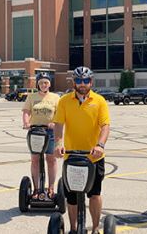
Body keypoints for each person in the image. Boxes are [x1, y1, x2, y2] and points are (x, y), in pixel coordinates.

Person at [54, 66, 110, 234]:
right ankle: (73, 229)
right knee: (71, 197)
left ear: (91, 82)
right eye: (79, 80)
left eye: (86, 80)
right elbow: (58, 125)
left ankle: (94, 228)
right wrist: (58, 143)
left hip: (94, 157)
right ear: (74, 82)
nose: (82, 84)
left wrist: (100, 145)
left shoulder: (99, 101)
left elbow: (105, 126)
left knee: (94, 194)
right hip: (71, 156)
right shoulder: (64, 100)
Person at [22, 72, 60, 199]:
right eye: (41, 83)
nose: (44, 85)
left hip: (50, 132)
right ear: (38, 84)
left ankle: (51, 188)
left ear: (49, 84)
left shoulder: (55, 98)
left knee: (51, 159)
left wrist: (54, 123)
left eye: (46, 82)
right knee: (35, 159)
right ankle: (36, 189)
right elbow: (26, 111)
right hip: (35, 131)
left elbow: (60, 114)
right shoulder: (31, 97)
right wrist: (26, 122)